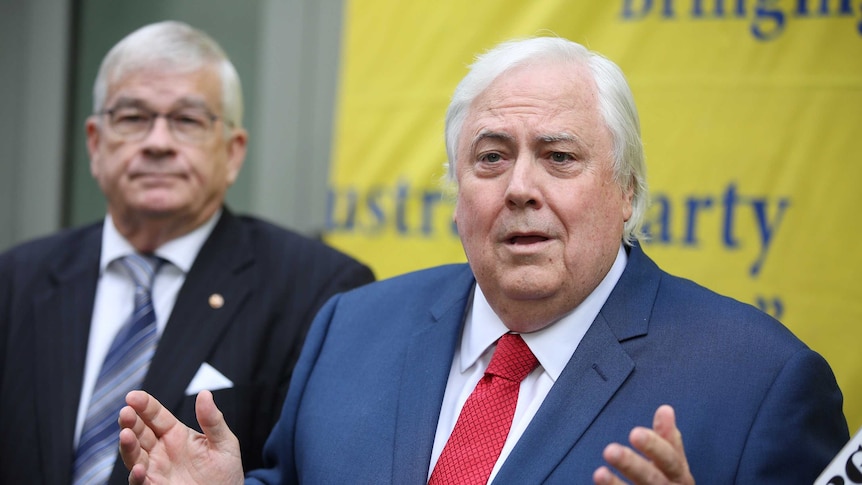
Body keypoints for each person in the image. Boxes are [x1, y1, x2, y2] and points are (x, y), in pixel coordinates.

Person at [117, 36, 848, 484]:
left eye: (560, 157)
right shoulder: (353, 325)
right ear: (457, 192)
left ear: (626, 192)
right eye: (491, 157)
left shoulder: (761, 383)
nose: (521, 187)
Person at [0, 20, 374, 485]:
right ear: (95, 143)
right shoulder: (17, 279)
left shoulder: (321, 292)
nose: (158, 143)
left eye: (187, 120)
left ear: (233, 152)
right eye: (133, 118)